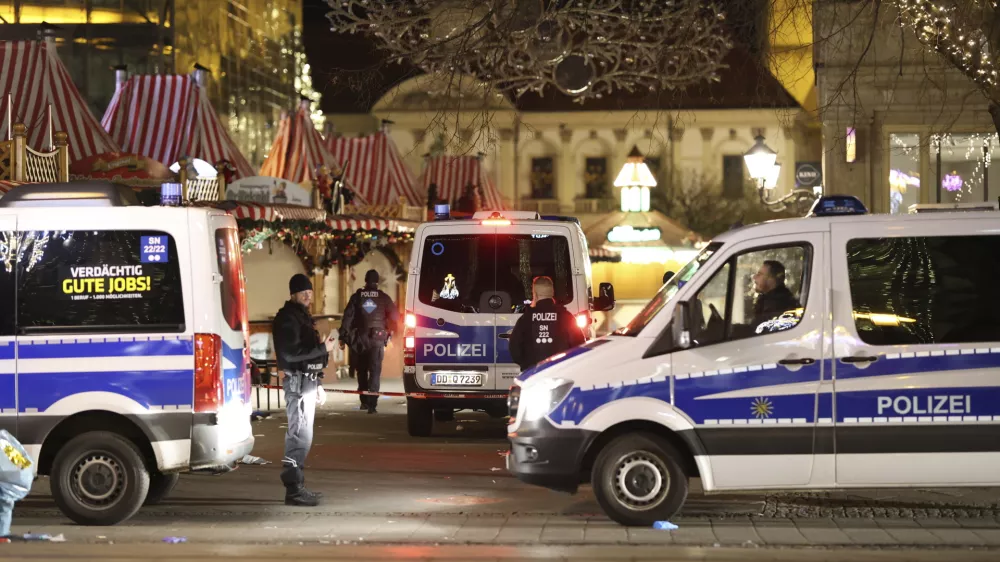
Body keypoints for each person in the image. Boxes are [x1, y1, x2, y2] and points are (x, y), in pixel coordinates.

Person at [272, 273, 335, 506]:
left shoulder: (302, 317)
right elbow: (290, 354)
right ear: (293, 294)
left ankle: (297, 485)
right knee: (299, 435)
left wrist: (317, 383)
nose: (308, 296)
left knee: (303, 436)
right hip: (297, 383)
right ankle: (293, 489)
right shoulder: (287, 318)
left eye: (310, 292)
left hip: (306, 381)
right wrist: (323, 348)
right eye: (303, 292)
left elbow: (307, 353)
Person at [341, 269, 399, 414]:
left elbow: (347, 317)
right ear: (377, 282)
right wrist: (391, 332)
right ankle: (372, 405)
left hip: (360, 339)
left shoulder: (357, 297)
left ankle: (364, 402)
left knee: (361, 371)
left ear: (365, 280)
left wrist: (343, 336)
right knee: (374, 371)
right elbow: (395, 316)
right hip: (377, 339)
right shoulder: (384, 297)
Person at [508, 276, 585, 372]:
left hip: (533, 373)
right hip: (560, 372)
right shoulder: (566, 317)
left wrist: (527, 365)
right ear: (552, 293)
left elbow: (514, 349)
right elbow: (580, 345)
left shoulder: (526, 319)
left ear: (534, 294)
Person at [751, 260, 801, 329]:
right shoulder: (770, 300)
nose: (754, 277)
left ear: (771, 279)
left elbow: (758, 330)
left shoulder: (779, 305)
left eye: (760, 274)